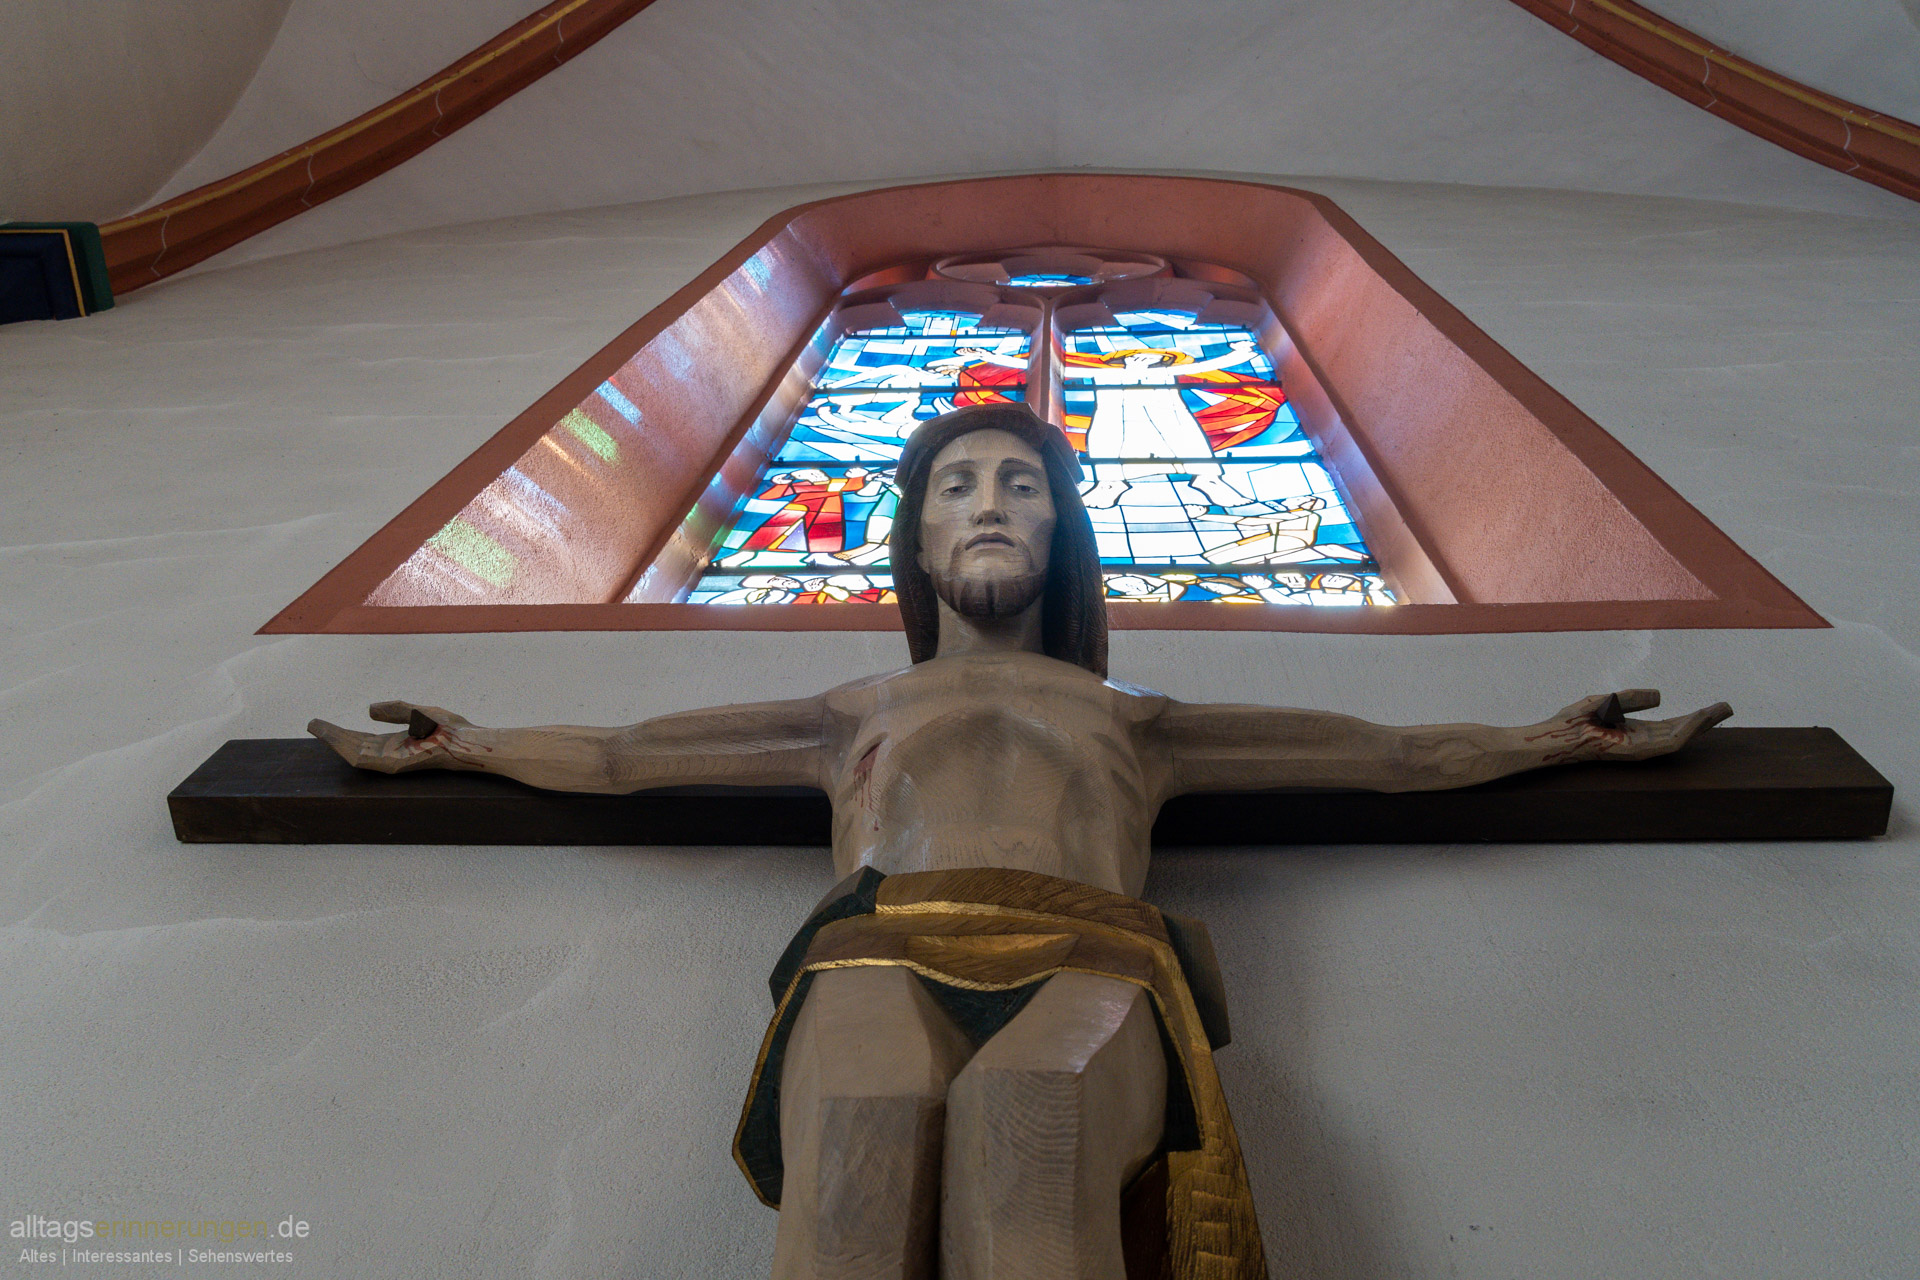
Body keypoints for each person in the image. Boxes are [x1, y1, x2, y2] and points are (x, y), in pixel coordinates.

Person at [311, 404, 1729, 1280]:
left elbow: (1393, 756)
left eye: (1022, 484)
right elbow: (623, 760)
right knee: (857, 1159)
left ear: (1065, 538)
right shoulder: (848, 713)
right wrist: (467, 745)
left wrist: (1557, 740)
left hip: (1090, 956)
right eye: (956, 486)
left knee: (1025, 1139)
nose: (989, 502)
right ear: (917, 547)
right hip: (877, 950)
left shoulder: (1140, 722)